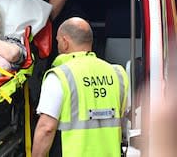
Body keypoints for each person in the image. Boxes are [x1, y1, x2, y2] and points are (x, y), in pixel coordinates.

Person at [32, 17, 129, 157]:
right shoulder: (117, 74)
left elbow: (46, 128)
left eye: (58, 41)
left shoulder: (60, 76)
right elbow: (123, 120)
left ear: (65, 42)